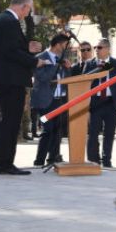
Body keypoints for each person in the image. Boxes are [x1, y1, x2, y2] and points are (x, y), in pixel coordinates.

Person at [0, 0, 45, 175]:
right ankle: (5, 163)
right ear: (23, 6)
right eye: (29, 9)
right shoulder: (9, 22)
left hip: (3, 78)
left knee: (7, 121)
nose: (28, 14)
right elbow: (11, 52)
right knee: (11, 122)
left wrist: (27, 47)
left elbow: (8, 48)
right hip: (11, 79)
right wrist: (34, 61)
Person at [87, 38, 116, 167]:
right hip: (95, 102)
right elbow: (83, 83)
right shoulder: (90, 64)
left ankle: (106, 160)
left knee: (109, 133)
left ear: (107, 49)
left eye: (99, 48)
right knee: (93, 133)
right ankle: (94, 160)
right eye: (95, 48)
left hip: (112, 103)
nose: (96, 50)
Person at [31, 34, 71, 167]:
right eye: (65, 45)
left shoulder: (62, 59)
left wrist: (67, 68)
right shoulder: (40, 58)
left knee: (57, 130)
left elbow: (67, 79)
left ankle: (53, 158)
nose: (66, 48)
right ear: (58, 44)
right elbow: (43, 78)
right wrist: (56, 65)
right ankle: (39, 160)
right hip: (44, 100)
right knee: (47, 129)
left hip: (60, 99)